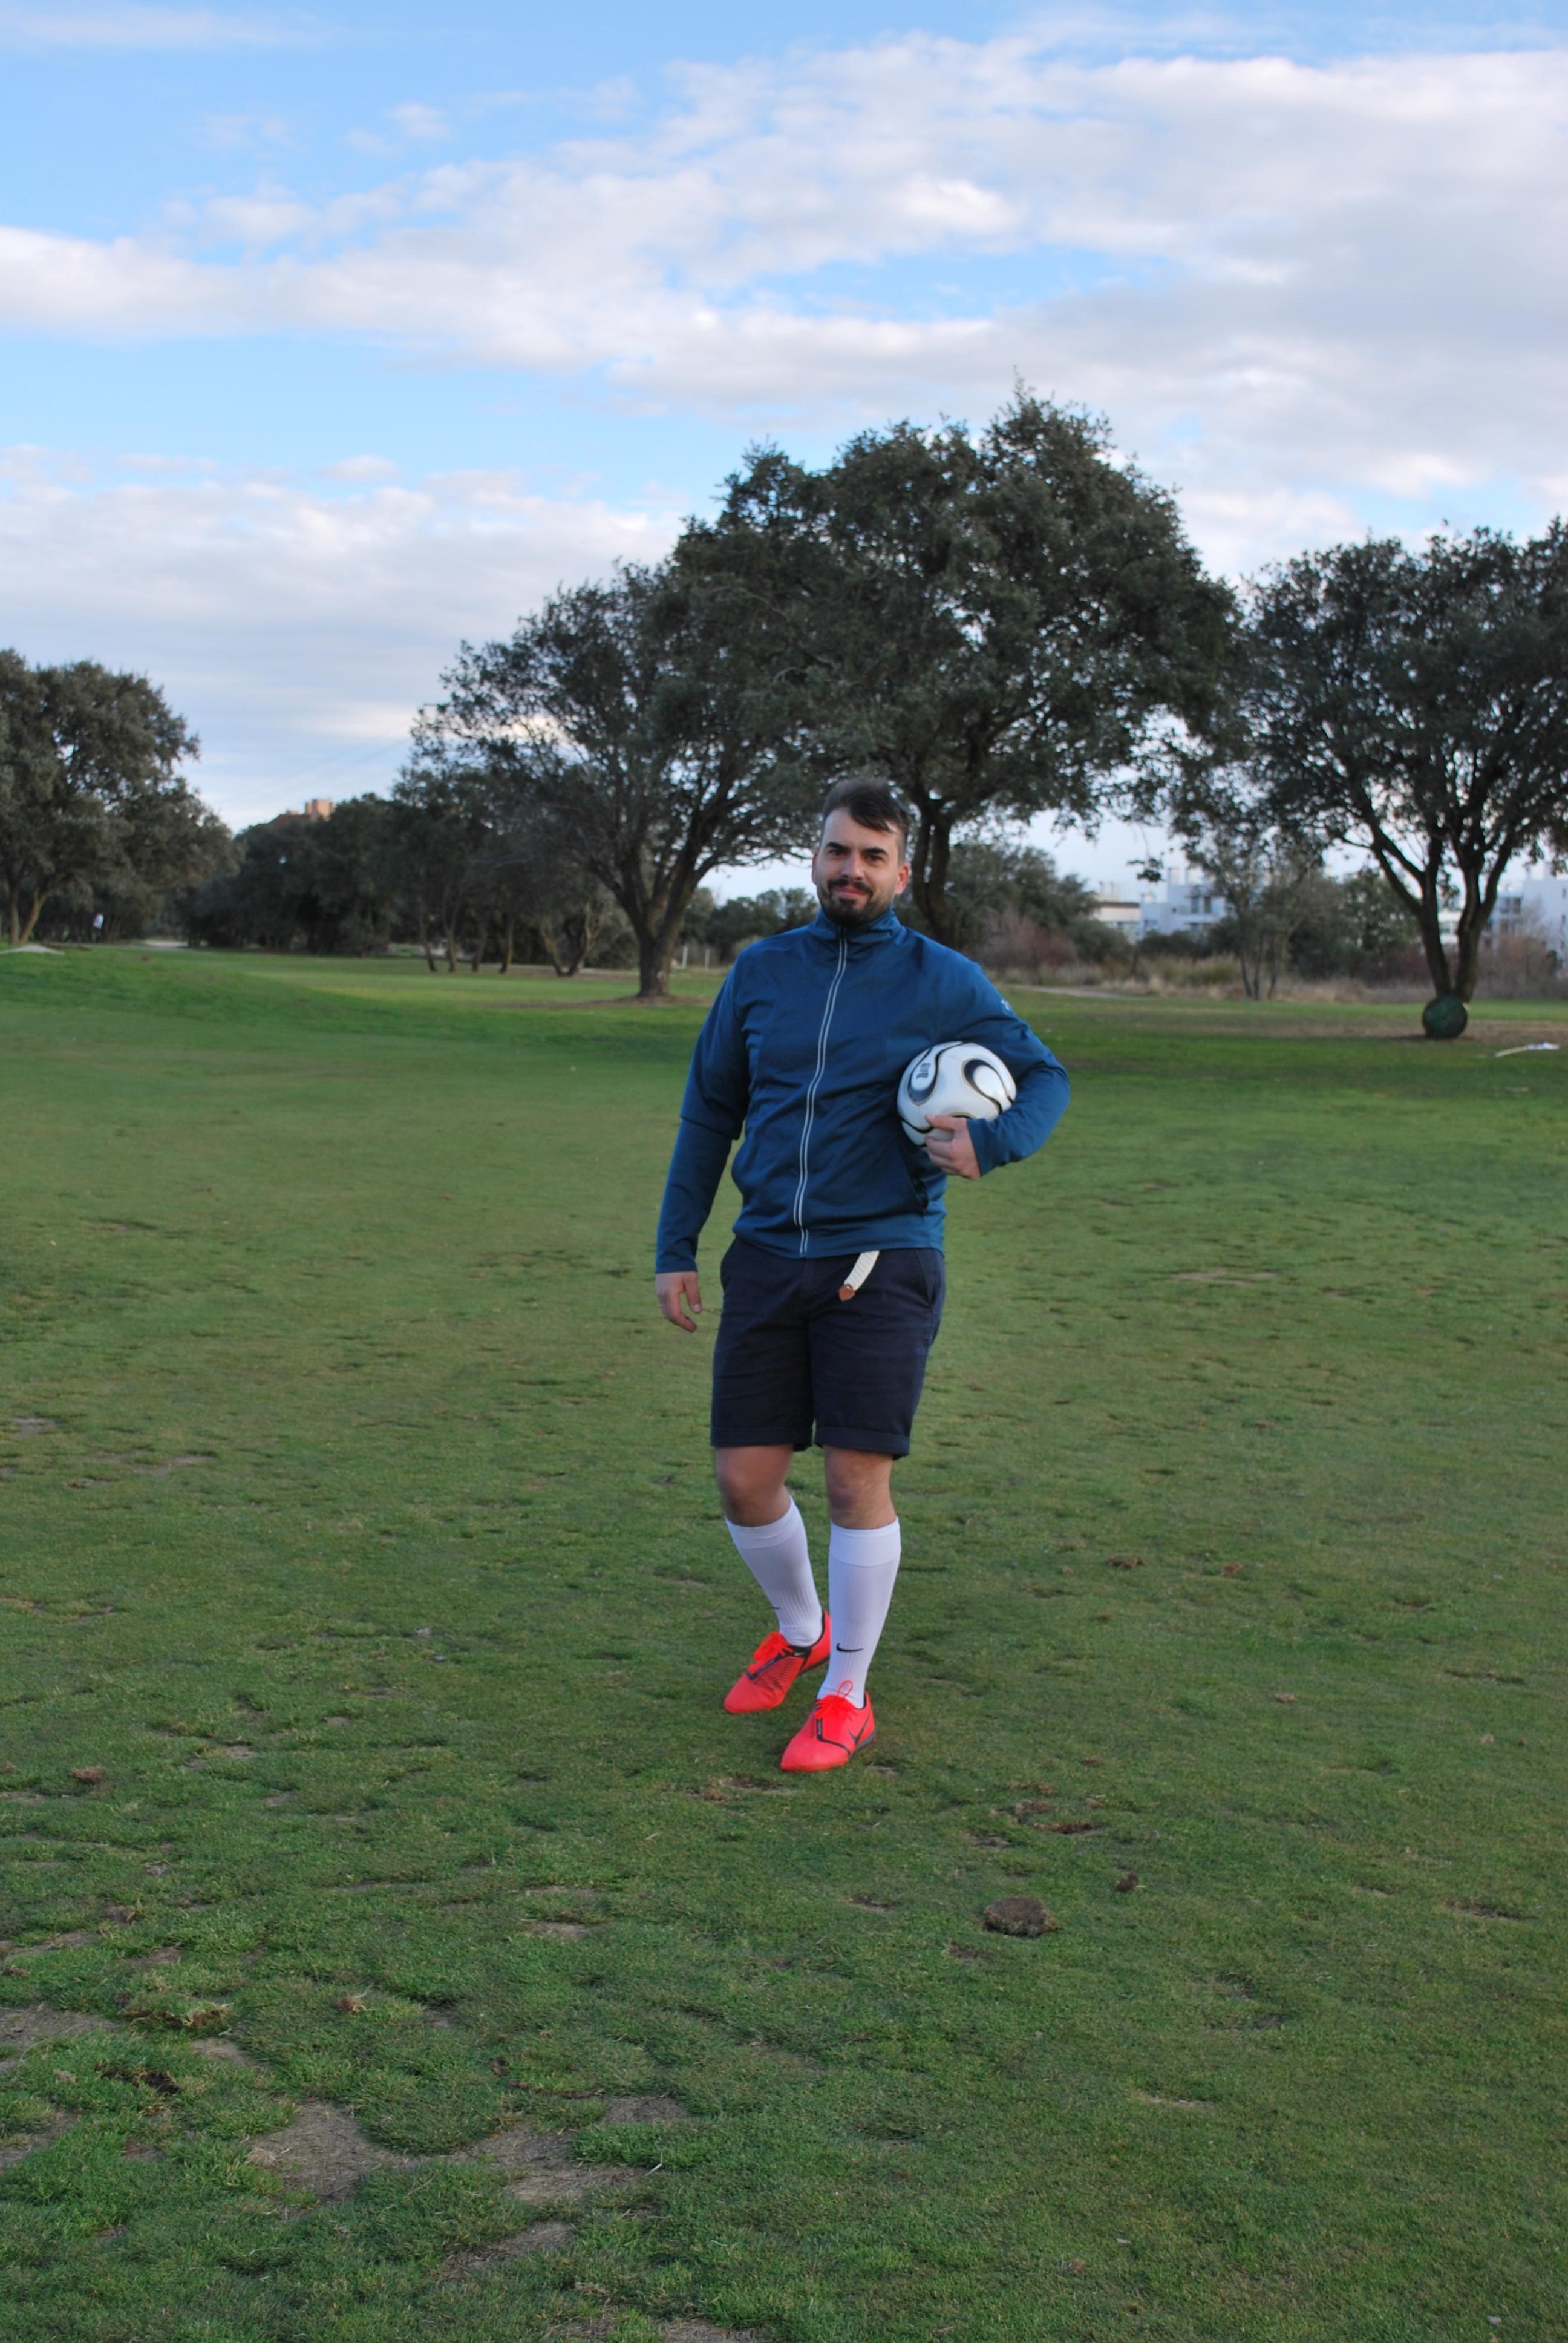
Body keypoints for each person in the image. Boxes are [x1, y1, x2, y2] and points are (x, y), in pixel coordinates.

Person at [655, 777, 1070, 1772]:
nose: (853, 870)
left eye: (873, 857)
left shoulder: (943, 979)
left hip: (883, 1256)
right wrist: (676, 1245)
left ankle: (848, 1691)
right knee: (744, 1481)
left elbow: (1045, 1077)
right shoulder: (761, 972)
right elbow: (709, 1112)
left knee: (852, 1480)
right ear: (816, 857)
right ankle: (802, 1631)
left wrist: (994, 1142)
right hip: (766, 1255)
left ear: (902, 872)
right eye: (840, 851)